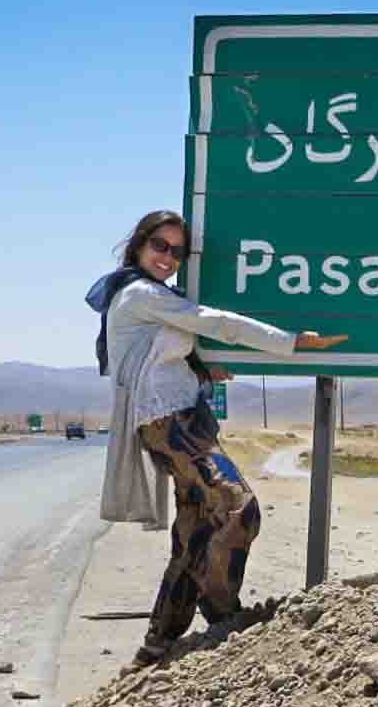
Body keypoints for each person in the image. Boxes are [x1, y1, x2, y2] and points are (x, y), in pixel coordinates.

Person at [90, 209, 344, 667]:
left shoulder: (150, 296)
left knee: (196, 530)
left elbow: (158, 355)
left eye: (176, 251)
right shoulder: (141, 294)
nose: (168, 257)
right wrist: (291, 342)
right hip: (172, 424)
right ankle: (223, 610)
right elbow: (214, 321)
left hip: (181, 418)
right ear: (139, 246)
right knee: (238, 508)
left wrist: (200, 368)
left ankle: (158, 644)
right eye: (159, 246)